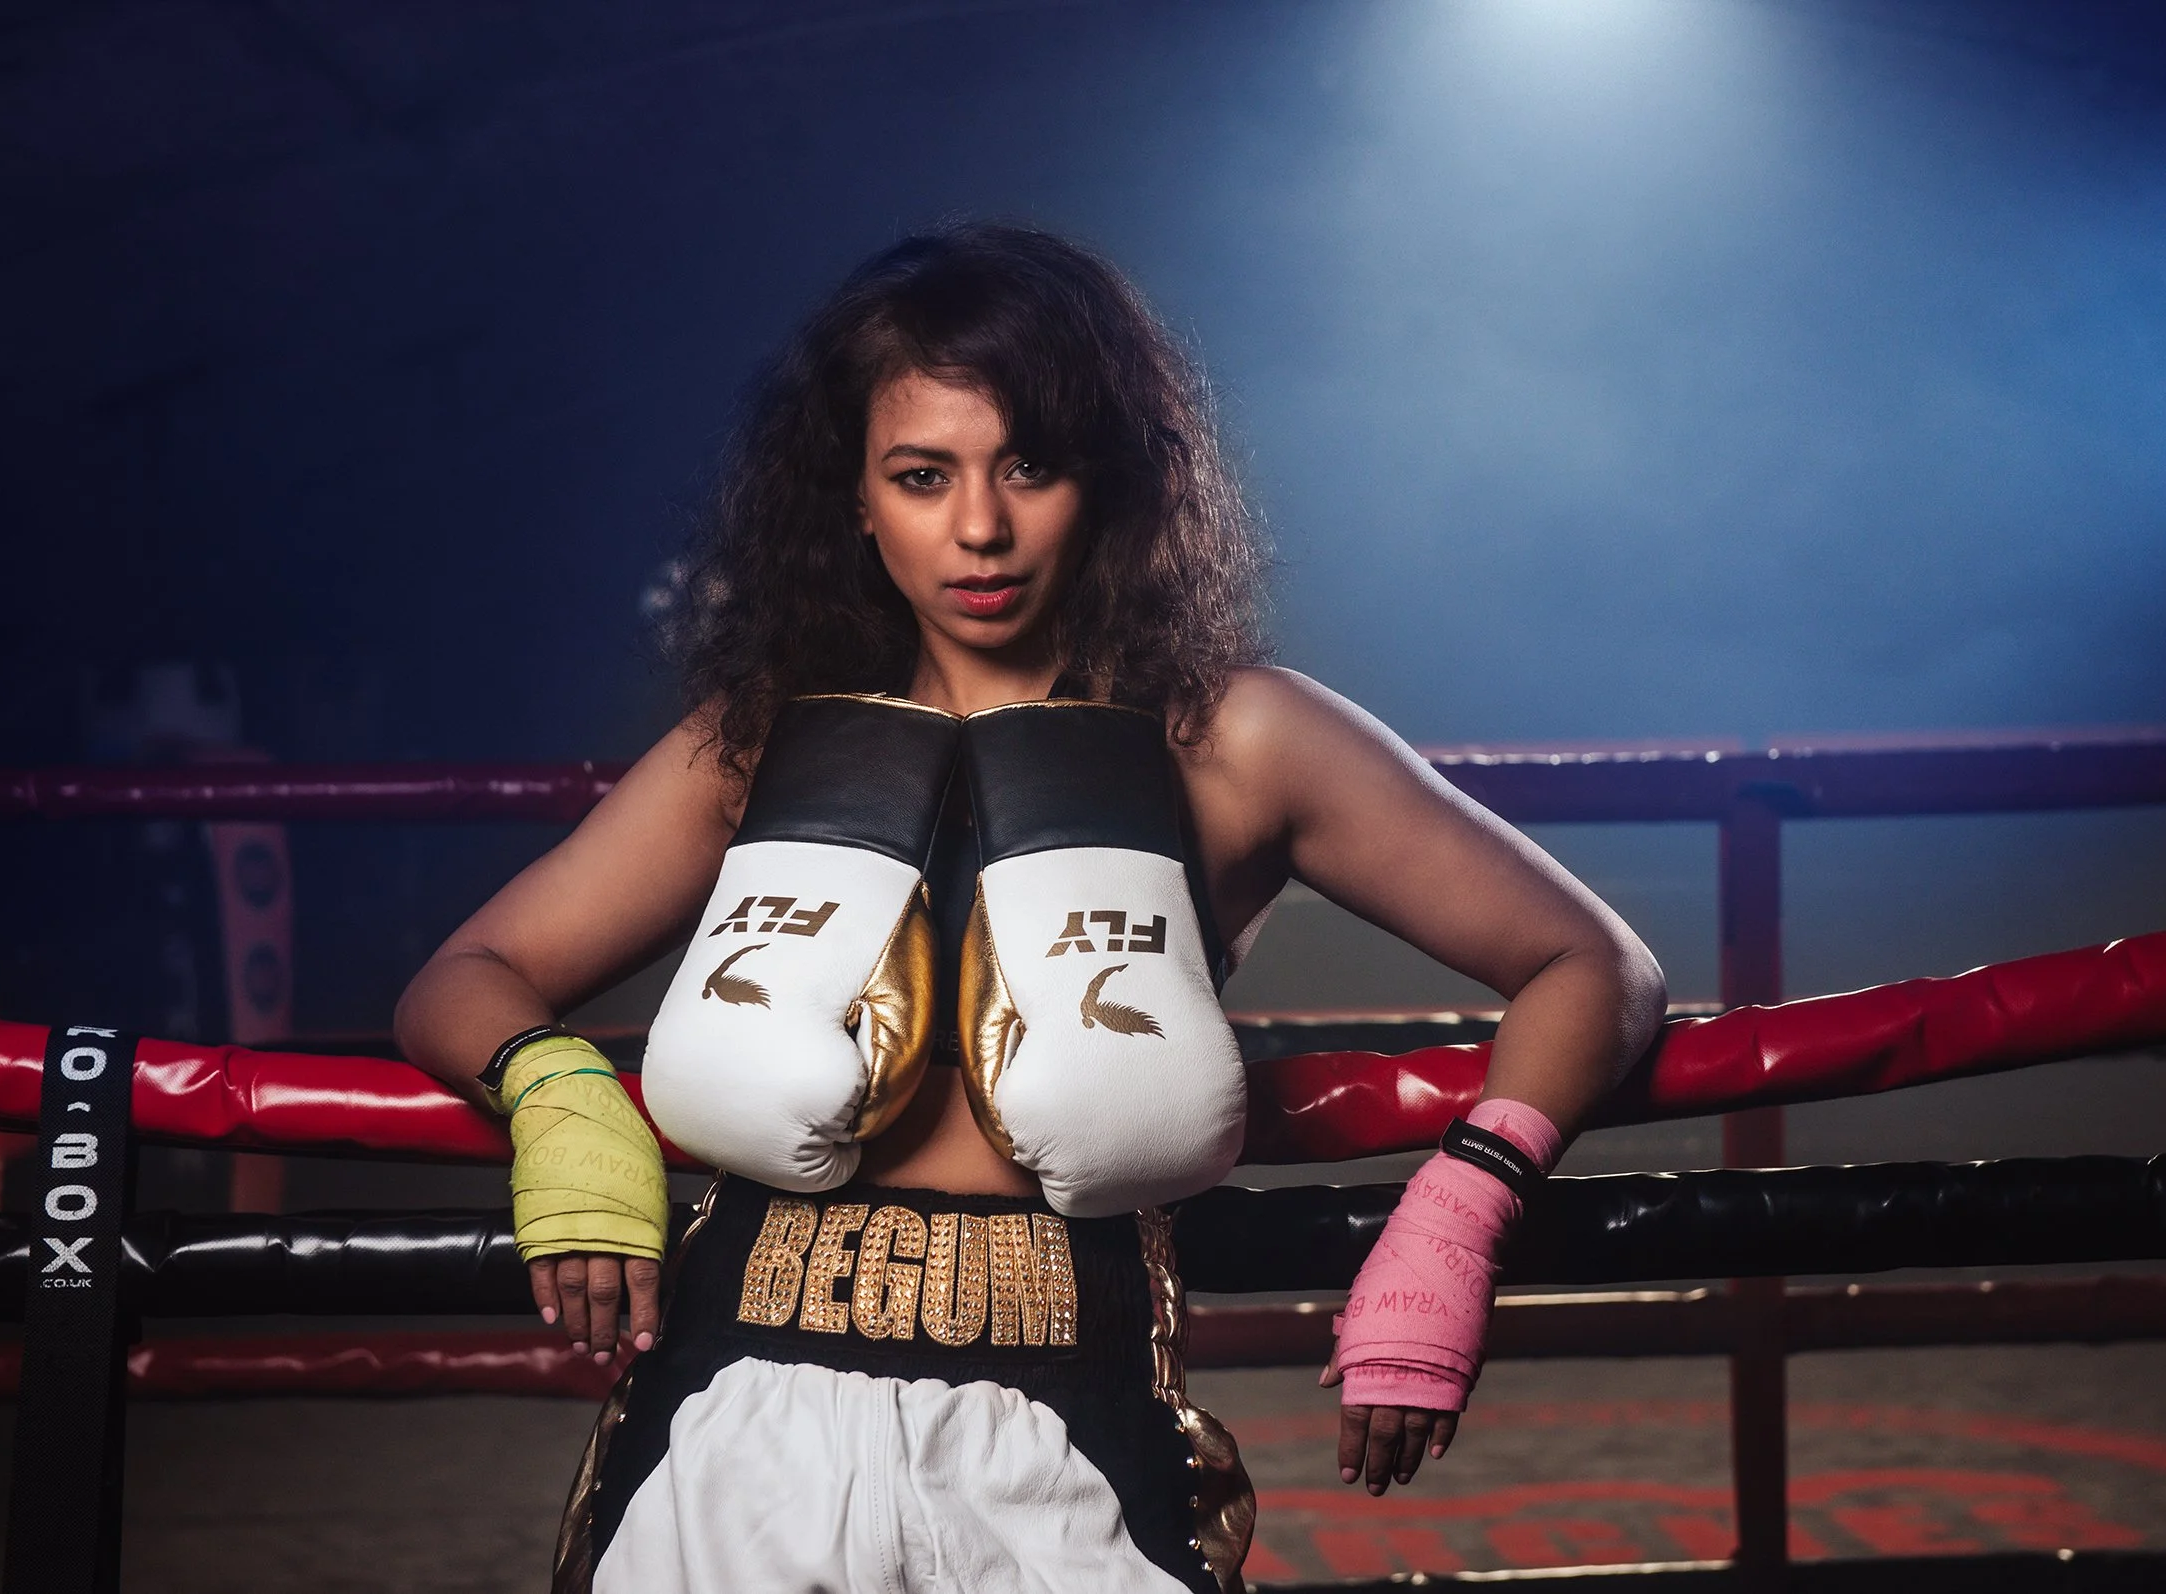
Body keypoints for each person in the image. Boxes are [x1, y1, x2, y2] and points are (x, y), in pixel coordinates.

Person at [394, 223, 1666, 1594]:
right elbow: (469, 972)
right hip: (731, 1412)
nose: (979, 529)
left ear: (1107, 477)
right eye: (921, 476)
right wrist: (560, 1096)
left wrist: (1460, 1212)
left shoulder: (1231, 738)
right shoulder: (761, 743)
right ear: (856, 500)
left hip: (1071, 1429)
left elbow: (1591, 963)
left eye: (1028, 467)